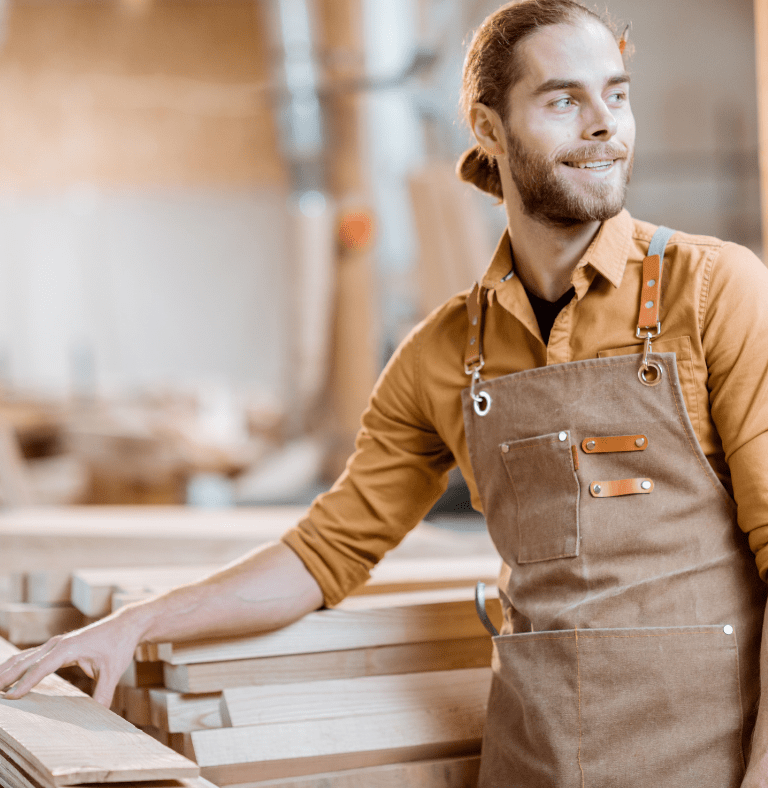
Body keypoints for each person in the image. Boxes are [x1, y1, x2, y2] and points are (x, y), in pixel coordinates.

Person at [3, 1, 768, 785]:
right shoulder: (444, 354)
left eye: (618, 93)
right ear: (489, 129)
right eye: (564, 99)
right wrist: (138, 623)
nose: (606, 123)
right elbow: (326, 553)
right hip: (530, 765)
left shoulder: (713, 292)